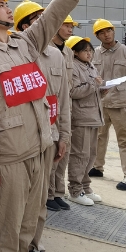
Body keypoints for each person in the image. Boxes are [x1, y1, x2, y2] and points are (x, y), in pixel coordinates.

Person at [0, 0, 108, 252]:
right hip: (9, 158)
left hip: (39, 149)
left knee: (28, 227)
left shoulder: (25, 44)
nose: (8, 8)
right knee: (5, 232)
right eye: (0, 5)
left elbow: (53, 14)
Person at [13, 1, 71, 252]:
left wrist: (64, 136)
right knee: (17, 201)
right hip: (22, 140)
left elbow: (64, 99)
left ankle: (34, 246)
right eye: (37, 19)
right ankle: (15, 248)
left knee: (39, 199)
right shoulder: (16, 55)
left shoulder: (57, 55)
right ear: (25, 26)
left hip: (50, 136)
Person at [90, 19, 126, 191]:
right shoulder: (94, 54)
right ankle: (97, 167)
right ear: (97, 36)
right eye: (102, 32)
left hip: (120, 105)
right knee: (98, 137)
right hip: (101, 103)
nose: (106, 35)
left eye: (109, 31)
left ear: (113, 31)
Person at [66, 36, 104, 206]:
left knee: (91, 154)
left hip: (94, 116)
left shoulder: (90, 66)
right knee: (80, 154)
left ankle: (85, 186)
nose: (89, 54)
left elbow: (92, 90)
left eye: (90, 50)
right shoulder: (73, 67)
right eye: (85, 51)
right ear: (75, 52)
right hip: (81, 117)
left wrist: (103, 89)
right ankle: (75, 190)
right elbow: (73, 91)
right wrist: (93, 84)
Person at [47, 15, 77, 212]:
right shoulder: (45, 49)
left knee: (63, 152)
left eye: (71, 26)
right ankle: (48, 195)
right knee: (51, 153)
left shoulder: (68, 52)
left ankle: (58, 192)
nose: (70, 29)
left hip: (66, 107)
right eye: (66, 25)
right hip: (50, 108)